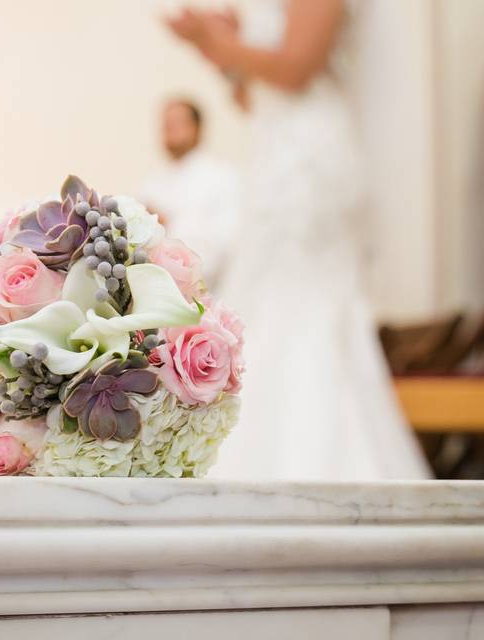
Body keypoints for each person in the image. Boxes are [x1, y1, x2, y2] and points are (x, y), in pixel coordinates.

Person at [166, 0, 430, 480]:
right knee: (267, 304)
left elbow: (296, 69)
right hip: (278, 154)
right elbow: (254, 97)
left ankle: (318, 465)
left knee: (305, 310)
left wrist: (217, 41)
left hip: (309, 164)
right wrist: (225, 55)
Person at [139, 99, 241, 288]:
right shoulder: (150, 183)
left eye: (177, 123)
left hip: (207, 294)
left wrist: (167, 225)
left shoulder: (222, 177)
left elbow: (226, 243)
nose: (170, 130)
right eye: (166, 125)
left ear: (197, 128)